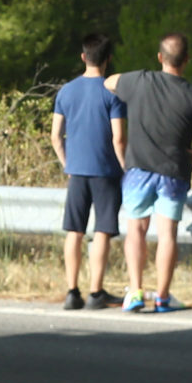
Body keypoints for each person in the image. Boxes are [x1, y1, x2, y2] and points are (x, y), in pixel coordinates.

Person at [106, 32, 192, 313]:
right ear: (186, 60)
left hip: (138, 168)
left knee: (136, 229)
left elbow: (109, 82)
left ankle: (135, 292)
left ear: (160, 57)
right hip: (174, 170)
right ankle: (162, 296)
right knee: (167, 234)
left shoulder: (140, 81)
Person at [49, 32, 127, 310]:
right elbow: (119, 138)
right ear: (108, 60)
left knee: (74, 231)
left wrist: (66, 163)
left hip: (77, 171)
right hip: (106, 171)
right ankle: (96, 293)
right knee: (103, 231)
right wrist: (124, 166)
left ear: (83, 57)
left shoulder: (66, 91)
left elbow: (55, 136)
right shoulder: (112, 93)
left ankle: (72, 291)